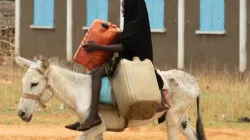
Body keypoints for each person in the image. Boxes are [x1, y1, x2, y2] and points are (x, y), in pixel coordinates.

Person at [65, 0, 167, 131]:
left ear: (132, 7)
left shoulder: (134, 25)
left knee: (96, 74)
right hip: (132, 59)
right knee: (95, 74)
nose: (123, 9)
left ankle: (93, 116)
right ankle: (86, 116)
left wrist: (97, 46)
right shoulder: (137, 22)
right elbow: (126, 40)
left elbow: (124, 47)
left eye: (125, 6)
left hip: (131, 63)